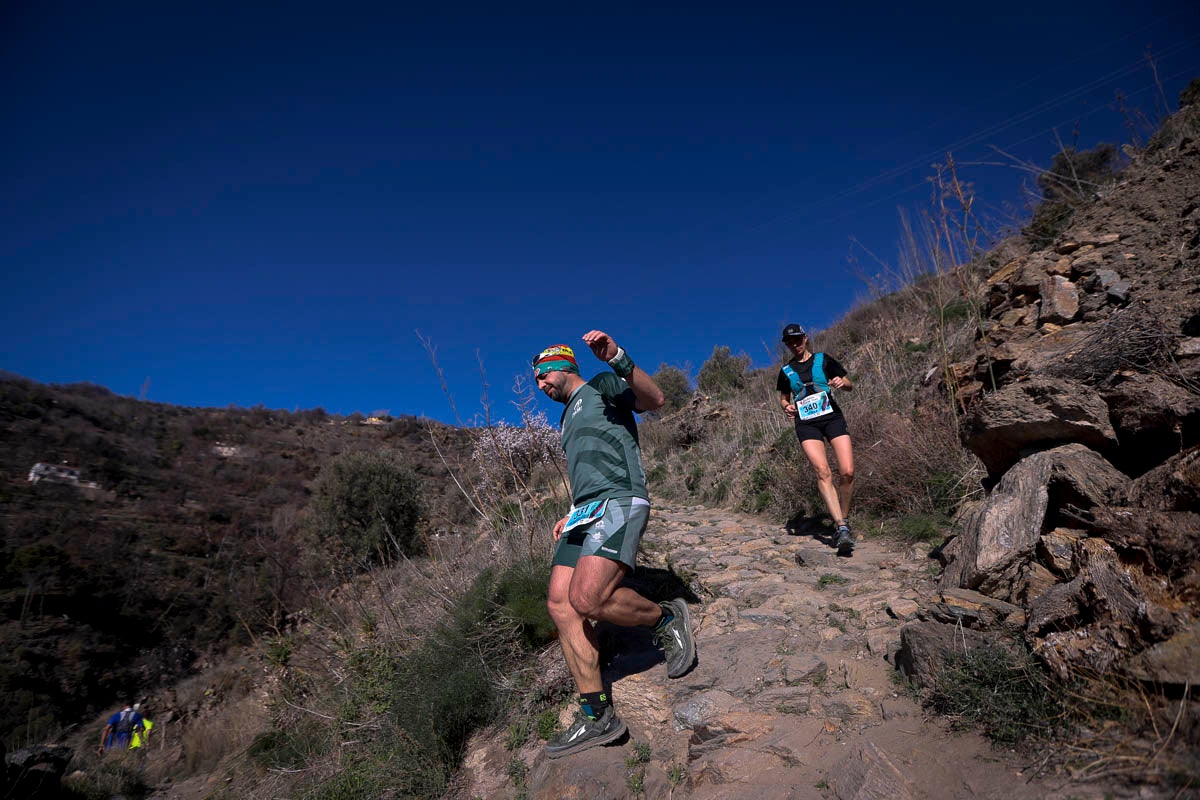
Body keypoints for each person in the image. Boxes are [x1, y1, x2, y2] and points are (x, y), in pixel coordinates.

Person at [533, 331, 697, 759]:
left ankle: (664, 619)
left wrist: (618, 358)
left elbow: (655, 399)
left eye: (542, 375)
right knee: (560, 604)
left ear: (562, 365)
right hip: (585, 509)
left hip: (620, 498)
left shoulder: (601, 387)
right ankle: (597, 715)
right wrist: (571, 510)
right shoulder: (567, 416)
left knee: (588, 598)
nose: (539, 386)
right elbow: (587, 471)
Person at [776, 323, 857, 556]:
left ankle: (843, 518)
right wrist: (787, 407)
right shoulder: (786, 371)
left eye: (797, 339)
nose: (794, 344)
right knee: (822, 471)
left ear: (806, 338)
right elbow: (783, 398)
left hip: (832, 418)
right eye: (789, 342)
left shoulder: (824, 360)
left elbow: (849, 384)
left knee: (848, 471)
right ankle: (841, 527)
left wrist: (843, 383)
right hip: (806, 423)